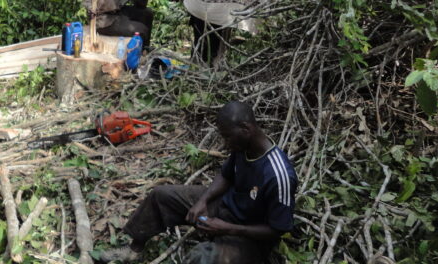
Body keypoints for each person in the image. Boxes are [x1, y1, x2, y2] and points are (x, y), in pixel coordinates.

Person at [98, 101, 297, 264]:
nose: (225, 143)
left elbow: (277, 230)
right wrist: (204, 200)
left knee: (202, 258)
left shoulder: (279, 175)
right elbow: (226, 175)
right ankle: (134, 249)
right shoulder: (242, 147)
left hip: (249, 235)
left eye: (227, 137)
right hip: (226, 207)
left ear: (246, 129)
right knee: (161, 195)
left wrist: (227, 229)